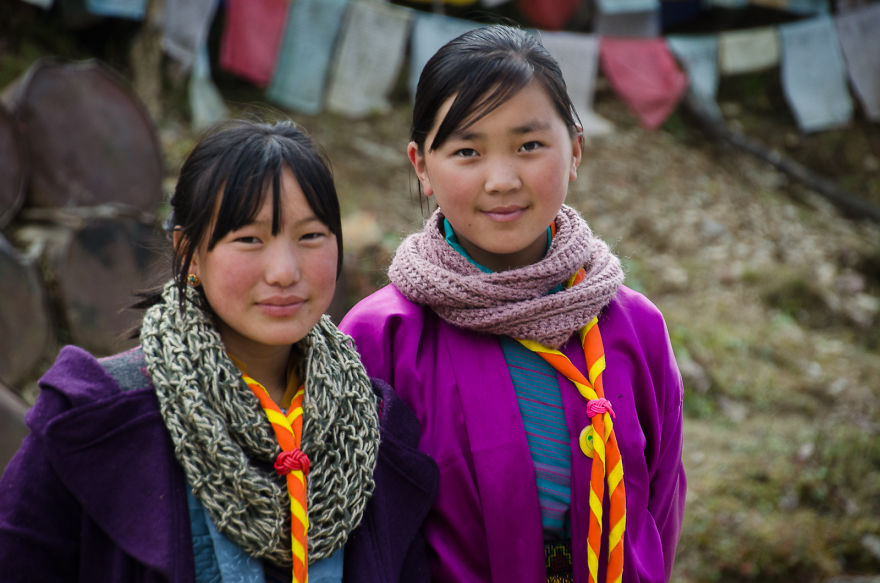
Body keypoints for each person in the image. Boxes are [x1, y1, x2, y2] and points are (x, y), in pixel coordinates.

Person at [0, 120, 438, 583]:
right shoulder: (96, 417)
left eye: (311, 236)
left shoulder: (369, 427)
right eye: (249, 239)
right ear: (188, 252)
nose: (285, 271)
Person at [339, 25, 686, 583]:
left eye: (529, 146)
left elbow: (660, 508)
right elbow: (363, 537)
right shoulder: (382, 338)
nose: (501, 180)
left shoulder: (634, 327)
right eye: (467, 151)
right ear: (422, 165)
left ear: (574, 149)